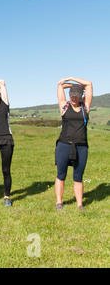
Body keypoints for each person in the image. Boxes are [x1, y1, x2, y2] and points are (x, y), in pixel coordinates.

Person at [55, 77, 93, 211]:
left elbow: (88, 84)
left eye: (76, 96)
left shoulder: (85, 107)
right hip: (64, 145)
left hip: (81, 146)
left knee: (78, 176)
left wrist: (73, 80)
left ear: (81, 96)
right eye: (71, 95)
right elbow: (59, 85)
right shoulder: (64, 106)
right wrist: (71, 85)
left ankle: (79, 204)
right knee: (61, 174)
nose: (73, 98)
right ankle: (59, 202)